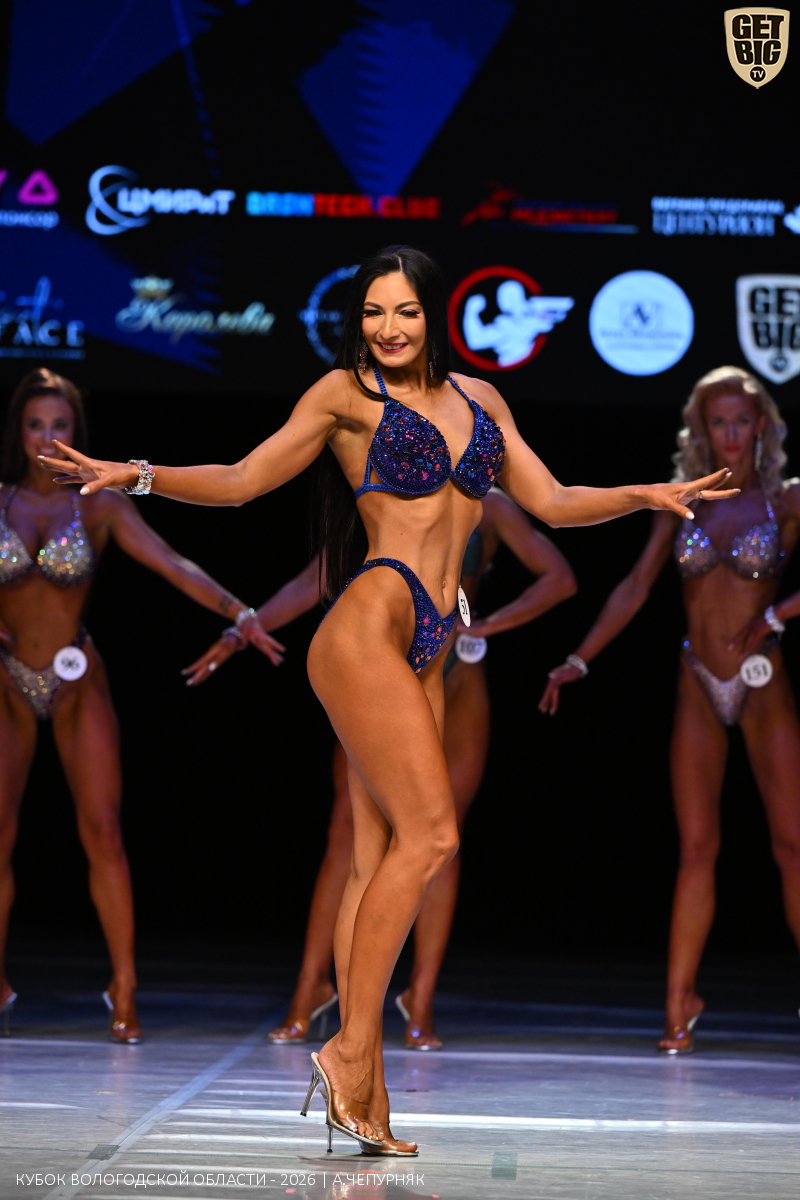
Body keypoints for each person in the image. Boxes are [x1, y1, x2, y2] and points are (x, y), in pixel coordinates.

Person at [40, 246, 734, 1153]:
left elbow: (555, 501)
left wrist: (644, 493)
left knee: (376, 862)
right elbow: (244, 480)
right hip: (369, 624)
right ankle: (349, 1047)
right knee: (434, 836)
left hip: (431, 644)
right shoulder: (344, 396)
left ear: (432, 314)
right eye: (372, 312)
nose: (388, 328)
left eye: (404, 311)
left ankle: (362, 1084)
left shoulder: (483, 401)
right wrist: (136, 473)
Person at [183, 488, 577, 1050]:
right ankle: (310, 988)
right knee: (347, 832)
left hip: (456, 679)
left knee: (442, 836)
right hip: (385, 671)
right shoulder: (383, 485)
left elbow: (559, 577)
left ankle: (421, 999)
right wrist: (242, 629)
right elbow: (315, 579)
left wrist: (488, 625)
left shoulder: (487, 503)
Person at [0, 368, 281, 1043]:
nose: (47, 438)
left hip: (76, 679)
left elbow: (172, 563)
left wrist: (240, 613)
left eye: (60, 426)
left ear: (77, 432)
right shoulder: (2, 501)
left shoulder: (97, 505)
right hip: (6, 681)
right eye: (36, 425)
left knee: (103, 833)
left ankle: (123, 984)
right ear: (18, 431)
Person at [540, 366, 800, 1055]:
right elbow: (634, 586)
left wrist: (778, 612)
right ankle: (678, 1006)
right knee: (695, 848)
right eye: (719, 422)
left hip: (762, 679)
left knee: (793, 846)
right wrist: (581, 657)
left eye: (741, 420)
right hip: (696, 680)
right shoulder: (681, 500)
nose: (731, 433)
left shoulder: (787, 498)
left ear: (761, 425)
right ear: (702, 430)